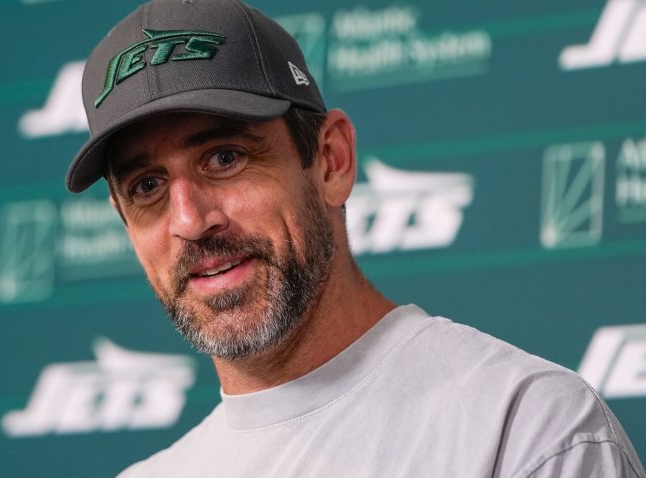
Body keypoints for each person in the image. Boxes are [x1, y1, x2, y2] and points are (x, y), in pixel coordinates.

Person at [65, 0, 646, 476]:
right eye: (147, 186)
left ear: (331, 160)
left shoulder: (527, 430)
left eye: (224, 157)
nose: (190, 220)